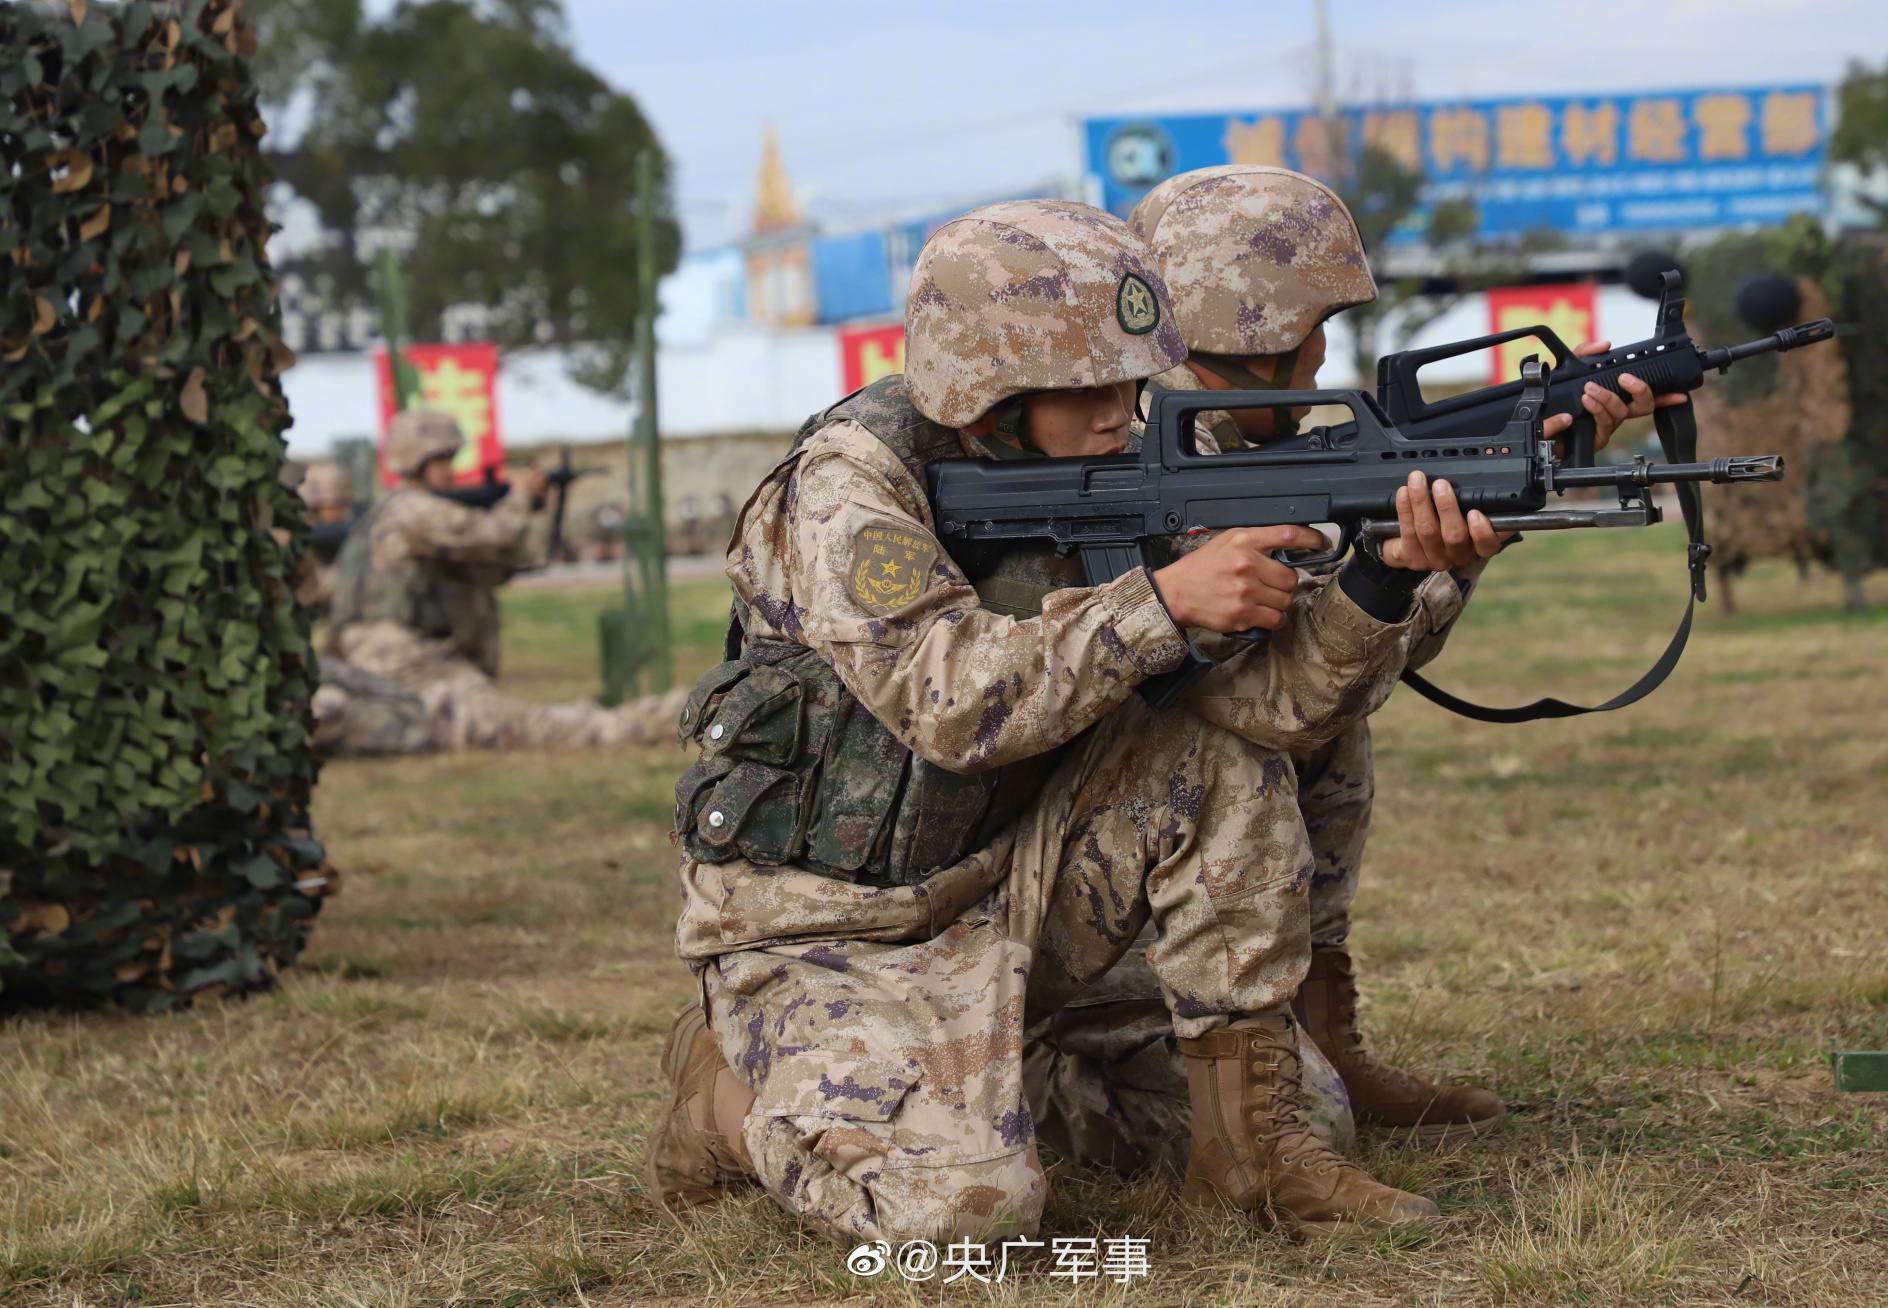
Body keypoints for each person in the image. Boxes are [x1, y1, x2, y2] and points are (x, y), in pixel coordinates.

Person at [648, 199, 1504, 1248]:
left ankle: (1251, 1157)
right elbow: (945, 698)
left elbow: (1270, 711)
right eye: (1085, 387)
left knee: (1221, 797)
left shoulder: (1126, 465)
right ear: (985, 389)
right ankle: (723, 1102)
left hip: (1012, 892)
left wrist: (1385, 579)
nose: (1118, 413)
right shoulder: (849, 488)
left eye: (1130, 381)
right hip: (832, 931)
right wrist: (1162, 604)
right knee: (962, 1217)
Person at [1023, 165, 1687, 1172]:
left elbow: (1342, 655)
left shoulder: (1255, 434)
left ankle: (1320, 1032)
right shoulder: (1145, 457)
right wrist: (1396, 572)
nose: (1326, 347)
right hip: (1072, 875)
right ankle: (1044, 1083)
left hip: (1143, 843)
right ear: (1261, 334)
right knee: (1264, 732)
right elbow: (1267, 705)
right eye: (1316, 323)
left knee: (1339, 720)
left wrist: (1448, 555)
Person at [316, 409, 683, 753]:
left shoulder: (386, 512)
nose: (449, 471)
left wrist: (529, 510)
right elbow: (492, 535)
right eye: (440, 461)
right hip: (411, 667)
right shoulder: (412, 509)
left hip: (385, 664)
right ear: (416, 462)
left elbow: (501, 564)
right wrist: (520, 498)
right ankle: (672, 715)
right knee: (524, 727)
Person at [295, 460, 356, 612]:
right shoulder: (298, 543)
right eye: (332, 506)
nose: (340, 512)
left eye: (343, 504)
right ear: (313, 509)